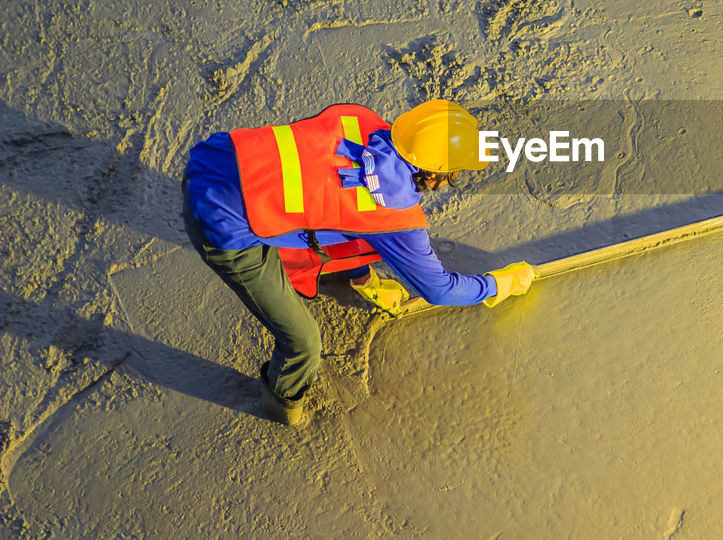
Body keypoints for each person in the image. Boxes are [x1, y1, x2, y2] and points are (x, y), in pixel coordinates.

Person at [182, 99, 535, 425]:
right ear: (437, 174)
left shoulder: (359, 119)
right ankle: (282, 407)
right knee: (304, 344)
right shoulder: (397, 221)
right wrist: (500, 284)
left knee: (343, 227)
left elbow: (332, 196)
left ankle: (336, 272)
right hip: (218, 226)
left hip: (217, 153)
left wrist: (365, 277)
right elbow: (439, 289)